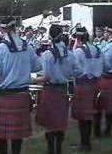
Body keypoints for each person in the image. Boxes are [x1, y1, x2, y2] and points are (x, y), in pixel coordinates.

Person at [0, 22, 41, 154]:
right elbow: (37, 67)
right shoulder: (27, 47)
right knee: (17, 136)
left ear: (3, 29)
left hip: (4, 96)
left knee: (0, 136)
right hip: (22, 95)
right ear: (15, 28)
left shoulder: (0, 49)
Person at [34, 25, 82, 154]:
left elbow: (44, 76)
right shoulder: (70, 54)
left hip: (49, 91)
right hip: (62, 91)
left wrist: (31, 80)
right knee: (60, 123)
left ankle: (51, 150)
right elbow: (78, 71)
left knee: (49, 125)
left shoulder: (46, 55)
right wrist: (66, 74)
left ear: (49, 36)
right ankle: (59, 150)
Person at [72, 27, 103, 151]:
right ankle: (87, 141)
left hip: (82, 84)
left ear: (78, 38)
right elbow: (106, 65)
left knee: (82, 115)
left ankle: (84, 143)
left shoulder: (78, 52)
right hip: (94, 84)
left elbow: (74, 68)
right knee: (90, 114)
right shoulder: (98, 49)